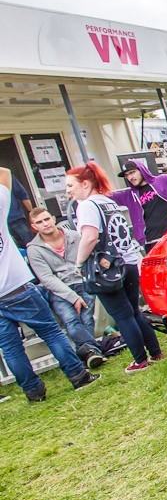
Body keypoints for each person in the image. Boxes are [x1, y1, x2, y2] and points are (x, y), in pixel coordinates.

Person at [0, 167, 99, 402]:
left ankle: (33, 392)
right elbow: (4, 172)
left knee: (10, 348)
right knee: (51, 332)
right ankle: (78, 375)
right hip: (18, 289)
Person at [66, 162, 163, 374]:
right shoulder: (107, 201)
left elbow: (90, 237)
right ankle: (155, 352)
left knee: (122, 315)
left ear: (85, 184)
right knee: (134, 311)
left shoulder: (87, 206)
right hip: (128, 261)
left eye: (71, 185)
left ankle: (140, 360)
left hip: (108, 268)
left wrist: (79, 263)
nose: (68, 191)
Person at [25, 208, 105, 369]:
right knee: (71, 320)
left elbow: (89, 258)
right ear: (34, 226)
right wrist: (73, 297)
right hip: (57, 289)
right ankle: (92, 351)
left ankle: (87, 353)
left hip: (82, 281)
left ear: (53, 218)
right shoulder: (33, 249)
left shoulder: (74, 236)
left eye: (47, 219)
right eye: (39, 222)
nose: (45, 224)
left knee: (86, 318)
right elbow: (47, 278)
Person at [110, 159, 167, 252]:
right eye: (127, 175)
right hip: (151, 242)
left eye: (132, 172)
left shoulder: (163, 180)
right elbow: (107, 196)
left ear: (141, 169)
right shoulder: (130, 195)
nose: (130, 177)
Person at [3, 170, 33, 249]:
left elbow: (22, 194)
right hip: (3, 225)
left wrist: (31, 212)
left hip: (16, 219)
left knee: (31, 245)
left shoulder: (5, 175)